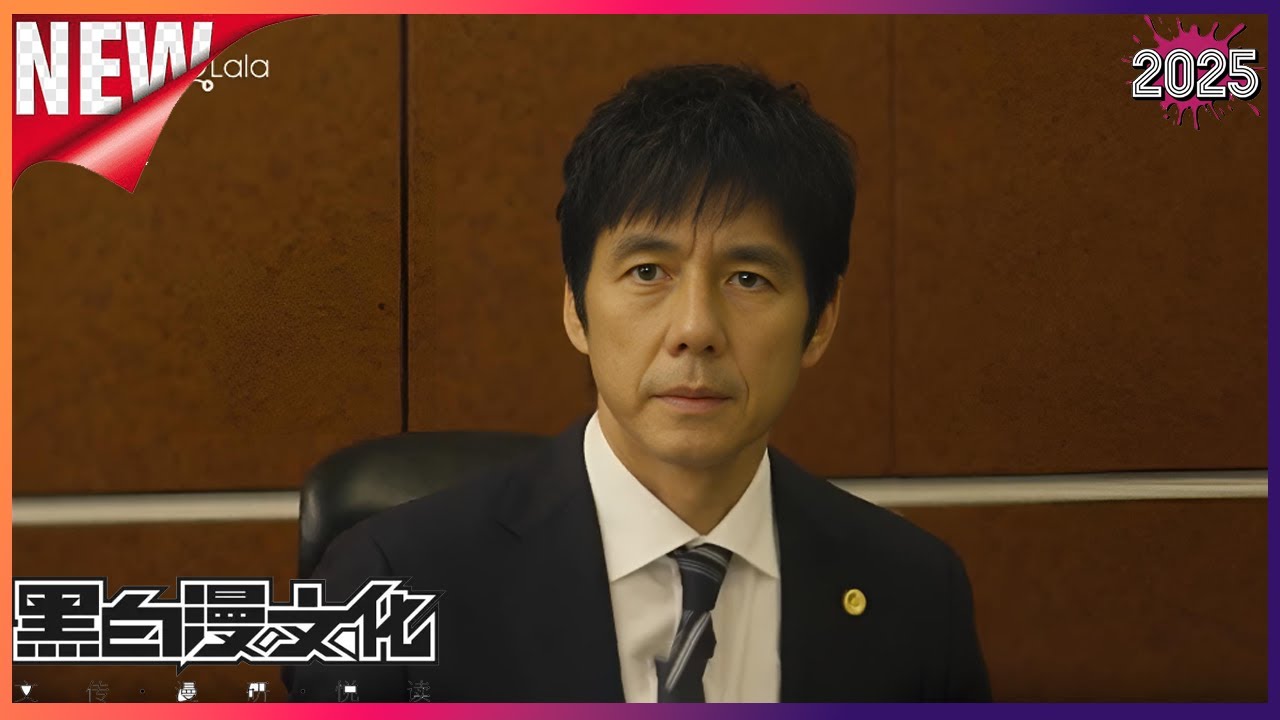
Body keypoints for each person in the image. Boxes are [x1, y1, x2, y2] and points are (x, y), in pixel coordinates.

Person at [284, 62, 990, 702]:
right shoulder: (386, 582)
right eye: (648, 271)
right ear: (576, 307)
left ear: (822, 321)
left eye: (749, 278)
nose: (696, 329)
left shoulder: (916, 595)